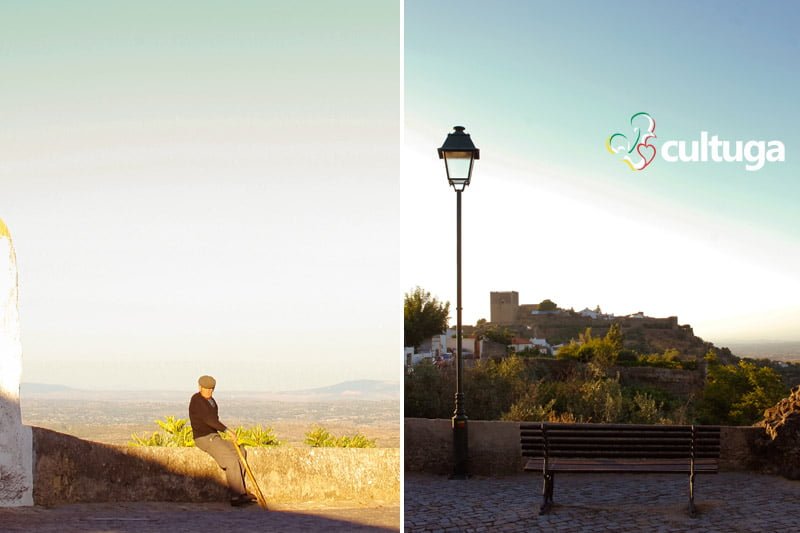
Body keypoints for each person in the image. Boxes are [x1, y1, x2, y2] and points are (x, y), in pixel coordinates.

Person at [189, 375, 255, 507]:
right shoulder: (197, 400)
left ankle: (241, 490)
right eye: (206, 388)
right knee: (230, 460)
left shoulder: (211, 401)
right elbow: (209, 420)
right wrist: (227, 431)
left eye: (211, 389)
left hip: (215, 437)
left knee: (241, 451)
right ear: (200, 387)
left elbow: (215, 420)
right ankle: (236, 496)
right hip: (204, 438)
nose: (209, 391)